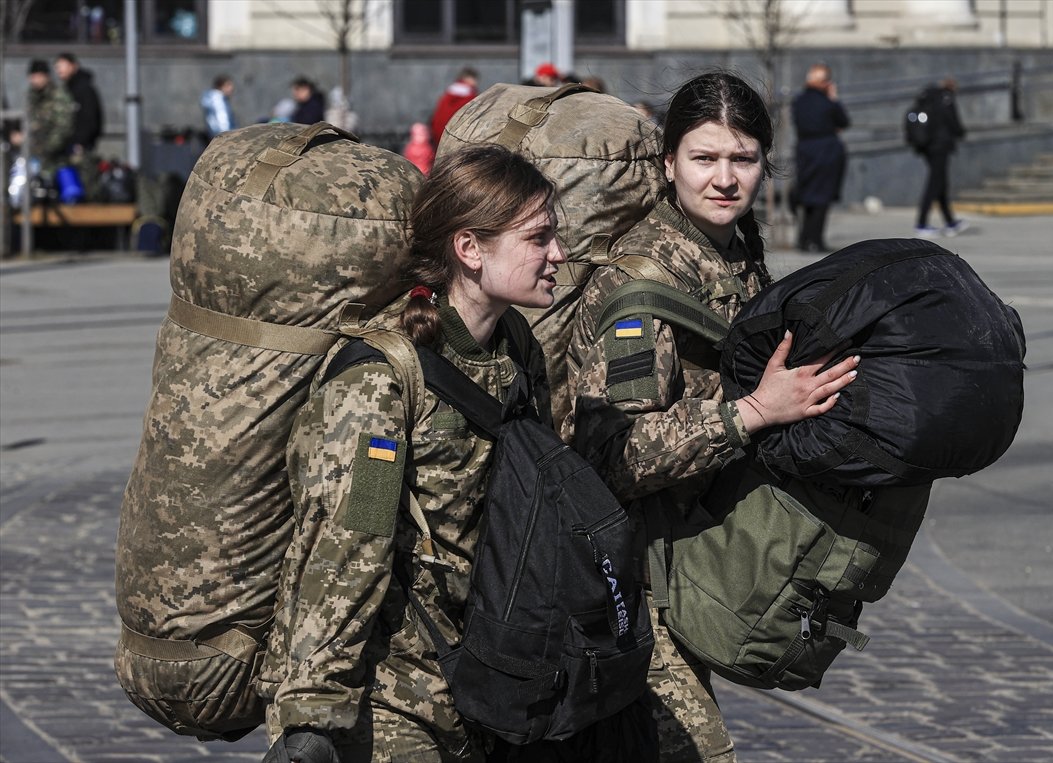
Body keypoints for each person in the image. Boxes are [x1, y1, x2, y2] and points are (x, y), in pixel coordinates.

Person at [565, 71, 860, 762]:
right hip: (631, 579)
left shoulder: (734, 251)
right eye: (704, 158)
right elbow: (613, 455)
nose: (725, 178)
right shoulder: (642, 286)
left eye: (743, 158)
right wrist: (752, 413)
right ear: (669, 164)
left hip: (695, 558)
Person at [259, 144, 566, 763]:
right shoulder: (382, 381)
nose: (558, 253)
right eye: (538, 238)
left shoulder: (514, 348)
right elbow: (349, 539)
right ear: (470, 249)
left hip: (487, 681)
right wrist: (313, 714)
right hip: (391, 695)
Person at [790, 63, 850, 253]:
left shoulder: (799, 101)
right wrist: (834, 99)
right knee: (821, 198)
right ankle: (815, 240)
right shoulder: (827, 102)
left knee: (808, 196)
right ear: (825, 82)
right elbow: (844, 121)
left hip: (805, 150)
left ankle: (804, 238)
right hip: (827, 152)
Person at [914, 78, 968, 237]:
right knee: (934, 185)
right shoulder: (946, 99)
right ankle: (921, 223)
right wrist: (960, 132)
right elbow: (953, 122)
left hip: (929, 147)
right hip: (941, 146)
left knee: (940, 184)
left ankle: (950, 222)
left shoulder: (929, 98)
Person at [21, 59, 74, 172]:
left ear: (46, 77)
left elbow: (63, 128)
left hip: (55, 157)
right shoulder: (32, 97)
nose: (35, 80)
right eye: (33, 77)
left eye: (39, 76)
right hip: (34, 155)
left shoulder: (57, 96)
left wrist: (46, 148)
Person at [53, 53, 103, 157]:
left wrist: (81, 142)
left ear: (73, 66)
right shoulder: (65, 90)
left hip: (79, 147)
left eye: (63, 65)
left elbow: (90, 118)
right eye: (57, 67)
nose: (59, 70)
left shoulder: (84, 89)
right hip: (65, 146)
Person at [430, 67, 479, 146]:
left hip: (438, 133)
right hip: (456, 135)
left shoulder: (448, 94)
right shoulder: (470, 96)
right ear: (469, 78)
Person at [200, 74, 236, 139]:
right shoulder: (217, 100)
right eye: (228, 85)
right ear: (221, 86)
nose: (231, 88)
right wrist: (228, 137)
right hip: (224, 139)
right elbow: (222, 121)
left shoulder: (213, 99)